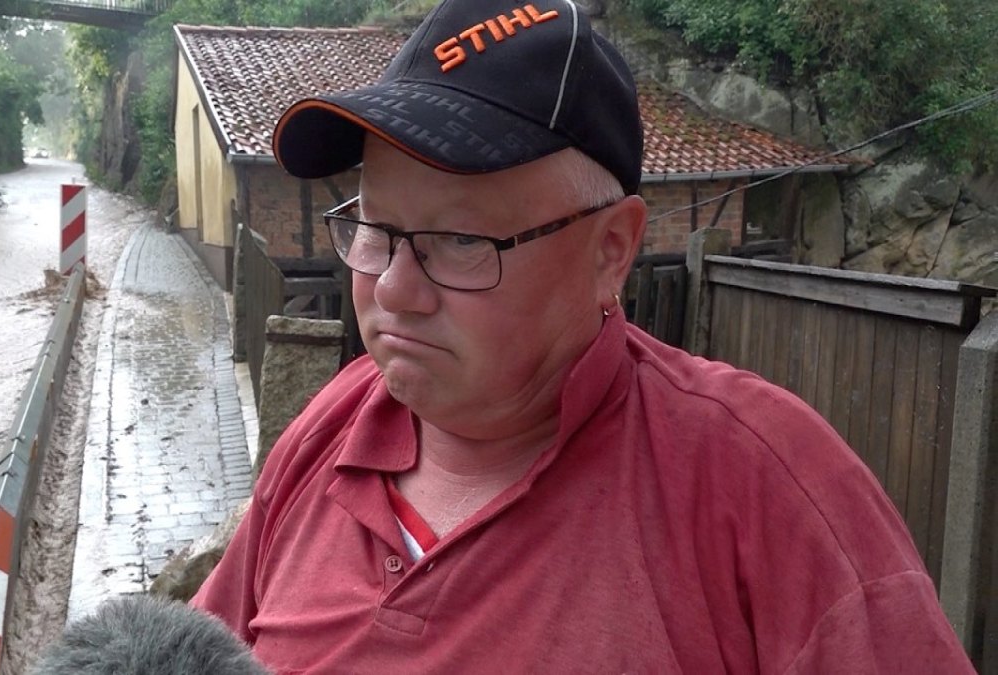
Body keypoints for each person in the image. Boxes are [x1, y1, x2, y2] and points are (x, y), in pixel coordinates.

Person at [191, 0, 975, 671]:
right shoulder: (329, 432)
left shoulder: (763, 486)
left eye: (461, 240)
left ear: (611, 253)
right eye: (373, 229)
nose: (394, 288)